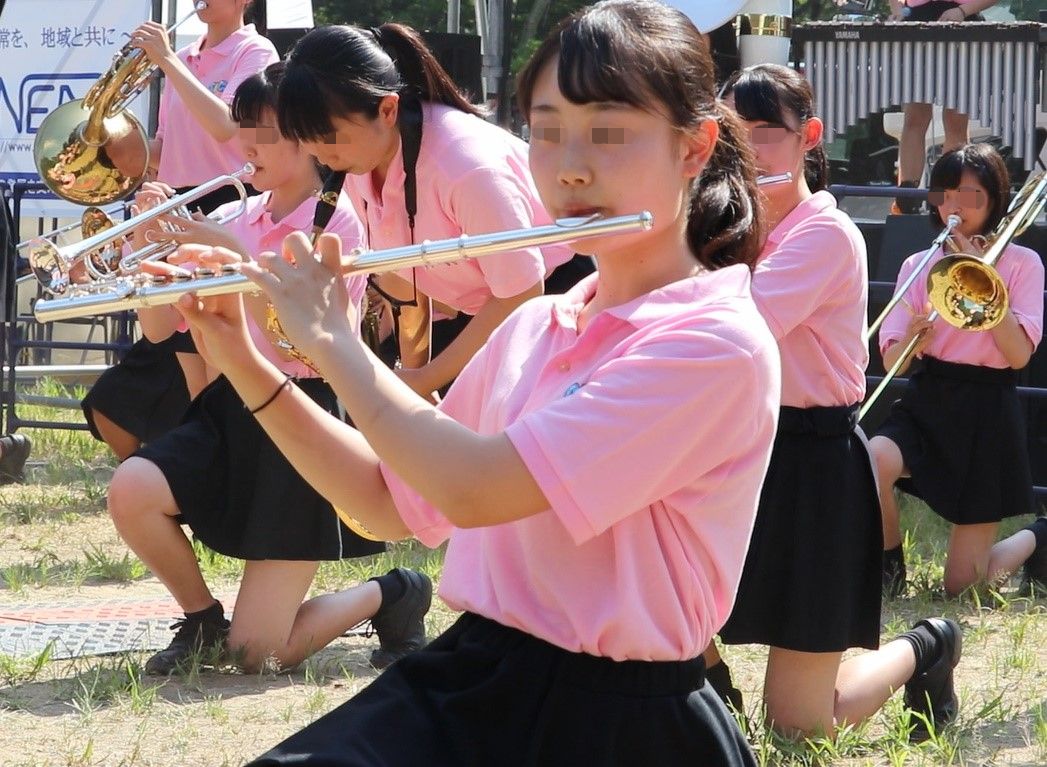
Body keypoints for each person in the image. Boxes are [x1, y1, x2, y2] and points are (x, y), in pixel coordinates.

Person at [175, 2, 780, 763]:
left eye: (608, 132)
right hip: (479, 672)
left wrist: (334, 343)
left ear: (694, 147)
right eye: (547, 131)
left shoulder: (714, 343)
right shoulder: (539, 325)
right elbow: (383, 501)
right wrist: (239, 352)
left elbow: (473, 488)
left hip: (620, 719)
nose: (571, 166)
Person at [106, 64, 431, 677]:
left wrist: (237, 260)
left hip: (302, 410)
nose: (247, 146)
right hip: (230, 407)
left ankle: (391, 593)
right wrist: (145, 252)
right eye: (244, 129)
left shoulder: (337, 222)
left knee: (257, 656)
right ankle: (201, 618)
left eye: (265, 132)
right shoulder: (236, 215)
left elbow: (309, 344)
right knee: (131, 488)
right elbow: (158, 332)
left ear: (308, 138)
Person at [704, 63, 963, 743]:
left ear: (809, 137)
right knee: (648, 589)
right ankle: (712, 702)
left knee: (798, 728)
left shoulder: (825, 233)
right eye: (731, 133)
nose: (748, 149)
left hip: (810, 463)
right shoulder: (720, 226)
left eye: (766, 132)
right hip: (732, 450)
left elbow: (734, 331)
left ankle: (923, 646)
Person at [273, 21, 578, 398]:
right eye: (306, 140)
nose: (319, 155)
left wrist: (426, 380)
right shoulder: (359, 157)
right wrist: (415, 378)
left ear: (387, 109)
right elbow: (405, 278)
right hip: (488, 315)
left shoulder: (466, 168)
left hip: (557, 302)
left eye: (327, 138)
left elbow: (521, 293)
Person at [80, 0, 278, 459]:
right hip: (177, 204)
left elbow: (227, 126)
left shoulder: (254, 51)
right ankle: (183, 459)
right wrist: (112, 145)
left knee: (204, 352)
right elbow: (163, 147)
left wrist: (168, 60)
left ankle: (204, 456)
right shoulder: (184, 58)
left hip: (229, 206)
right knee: (172, 345)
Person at [871, 142, 1047, 599]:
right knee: (871, 460)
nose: (953, 206)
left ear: (994, 201)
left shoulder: (1024, 264)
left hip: (988, 408)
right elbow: (890, 363)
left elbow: (1019, 356)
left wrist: (986, 284)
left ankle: (1037, 537)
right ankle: (889, 568)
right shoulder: (917, 265)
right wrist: (912, 339)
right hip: (929, 396)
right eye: (945, 195)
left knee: (962, 589)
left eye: (969, 196)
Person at [887, 0, 998, 214]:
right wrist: (897, 9)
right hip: (918, 24)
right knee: (914, 119)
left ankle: (947, 197)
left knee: (955, 122)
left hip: (962, 24)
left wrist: (962, 11)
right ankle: (906, 200)